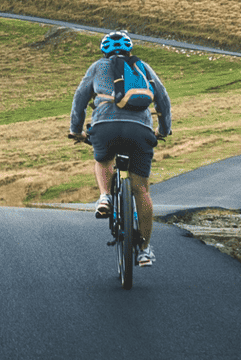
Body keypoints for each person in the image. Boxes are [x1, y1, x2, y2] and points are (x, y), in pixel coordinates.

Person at [69, 31, 171, 267]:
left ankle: (105, 196)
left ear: (104, 51)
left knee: (103, 159)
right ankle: (144, 250)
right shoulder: (143, 67)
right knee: (142, 190)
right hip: (140, 130)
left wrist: (76, 130)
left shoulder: (97, 67)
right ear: (129, 49)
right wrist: (163, 131)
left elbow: (80, 99)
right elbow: (162, 100)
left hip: (106, 127)